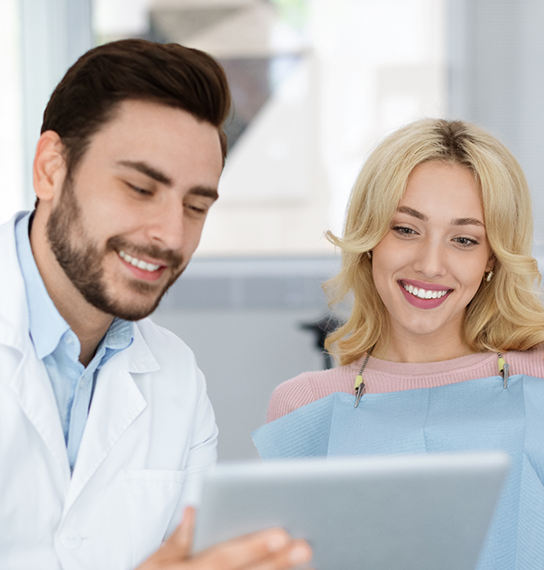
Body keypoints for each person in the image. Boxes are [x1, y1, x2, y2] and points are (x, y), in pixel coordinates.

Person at [0, 39, 312, 570]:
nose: (170, 234)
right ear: (51, 168)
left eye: (195, 206)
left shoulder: (176, 377)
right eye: (141, 188)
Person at [255, 119, 544, 569]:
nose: (430, 264)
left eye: (464, 240)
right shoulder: (304, 407)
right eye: (406, 230)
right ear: (370, 239)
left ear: (491, 258)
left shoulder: (539, 381)